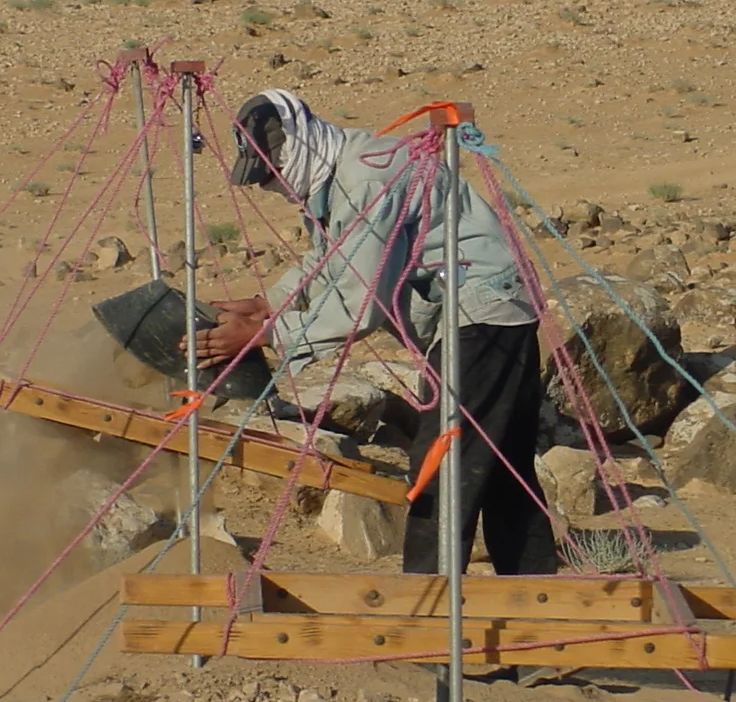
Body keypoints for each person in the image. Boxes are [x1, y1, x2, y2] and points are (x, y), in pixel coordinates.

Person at [187, 89, 556, 576]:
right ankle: (534, 595)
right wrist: (269, 302)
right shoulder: (342, 175)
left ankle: (430, 603)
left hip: (481, 316)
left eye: (273, 172)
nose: (272, 186)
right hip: (484, 314)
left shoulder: (364, 181)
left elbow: (363, 302)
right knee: (501, 465)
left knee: (442, 464)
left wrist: (268, 335)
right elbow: (330, 256)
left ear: (298, 146)